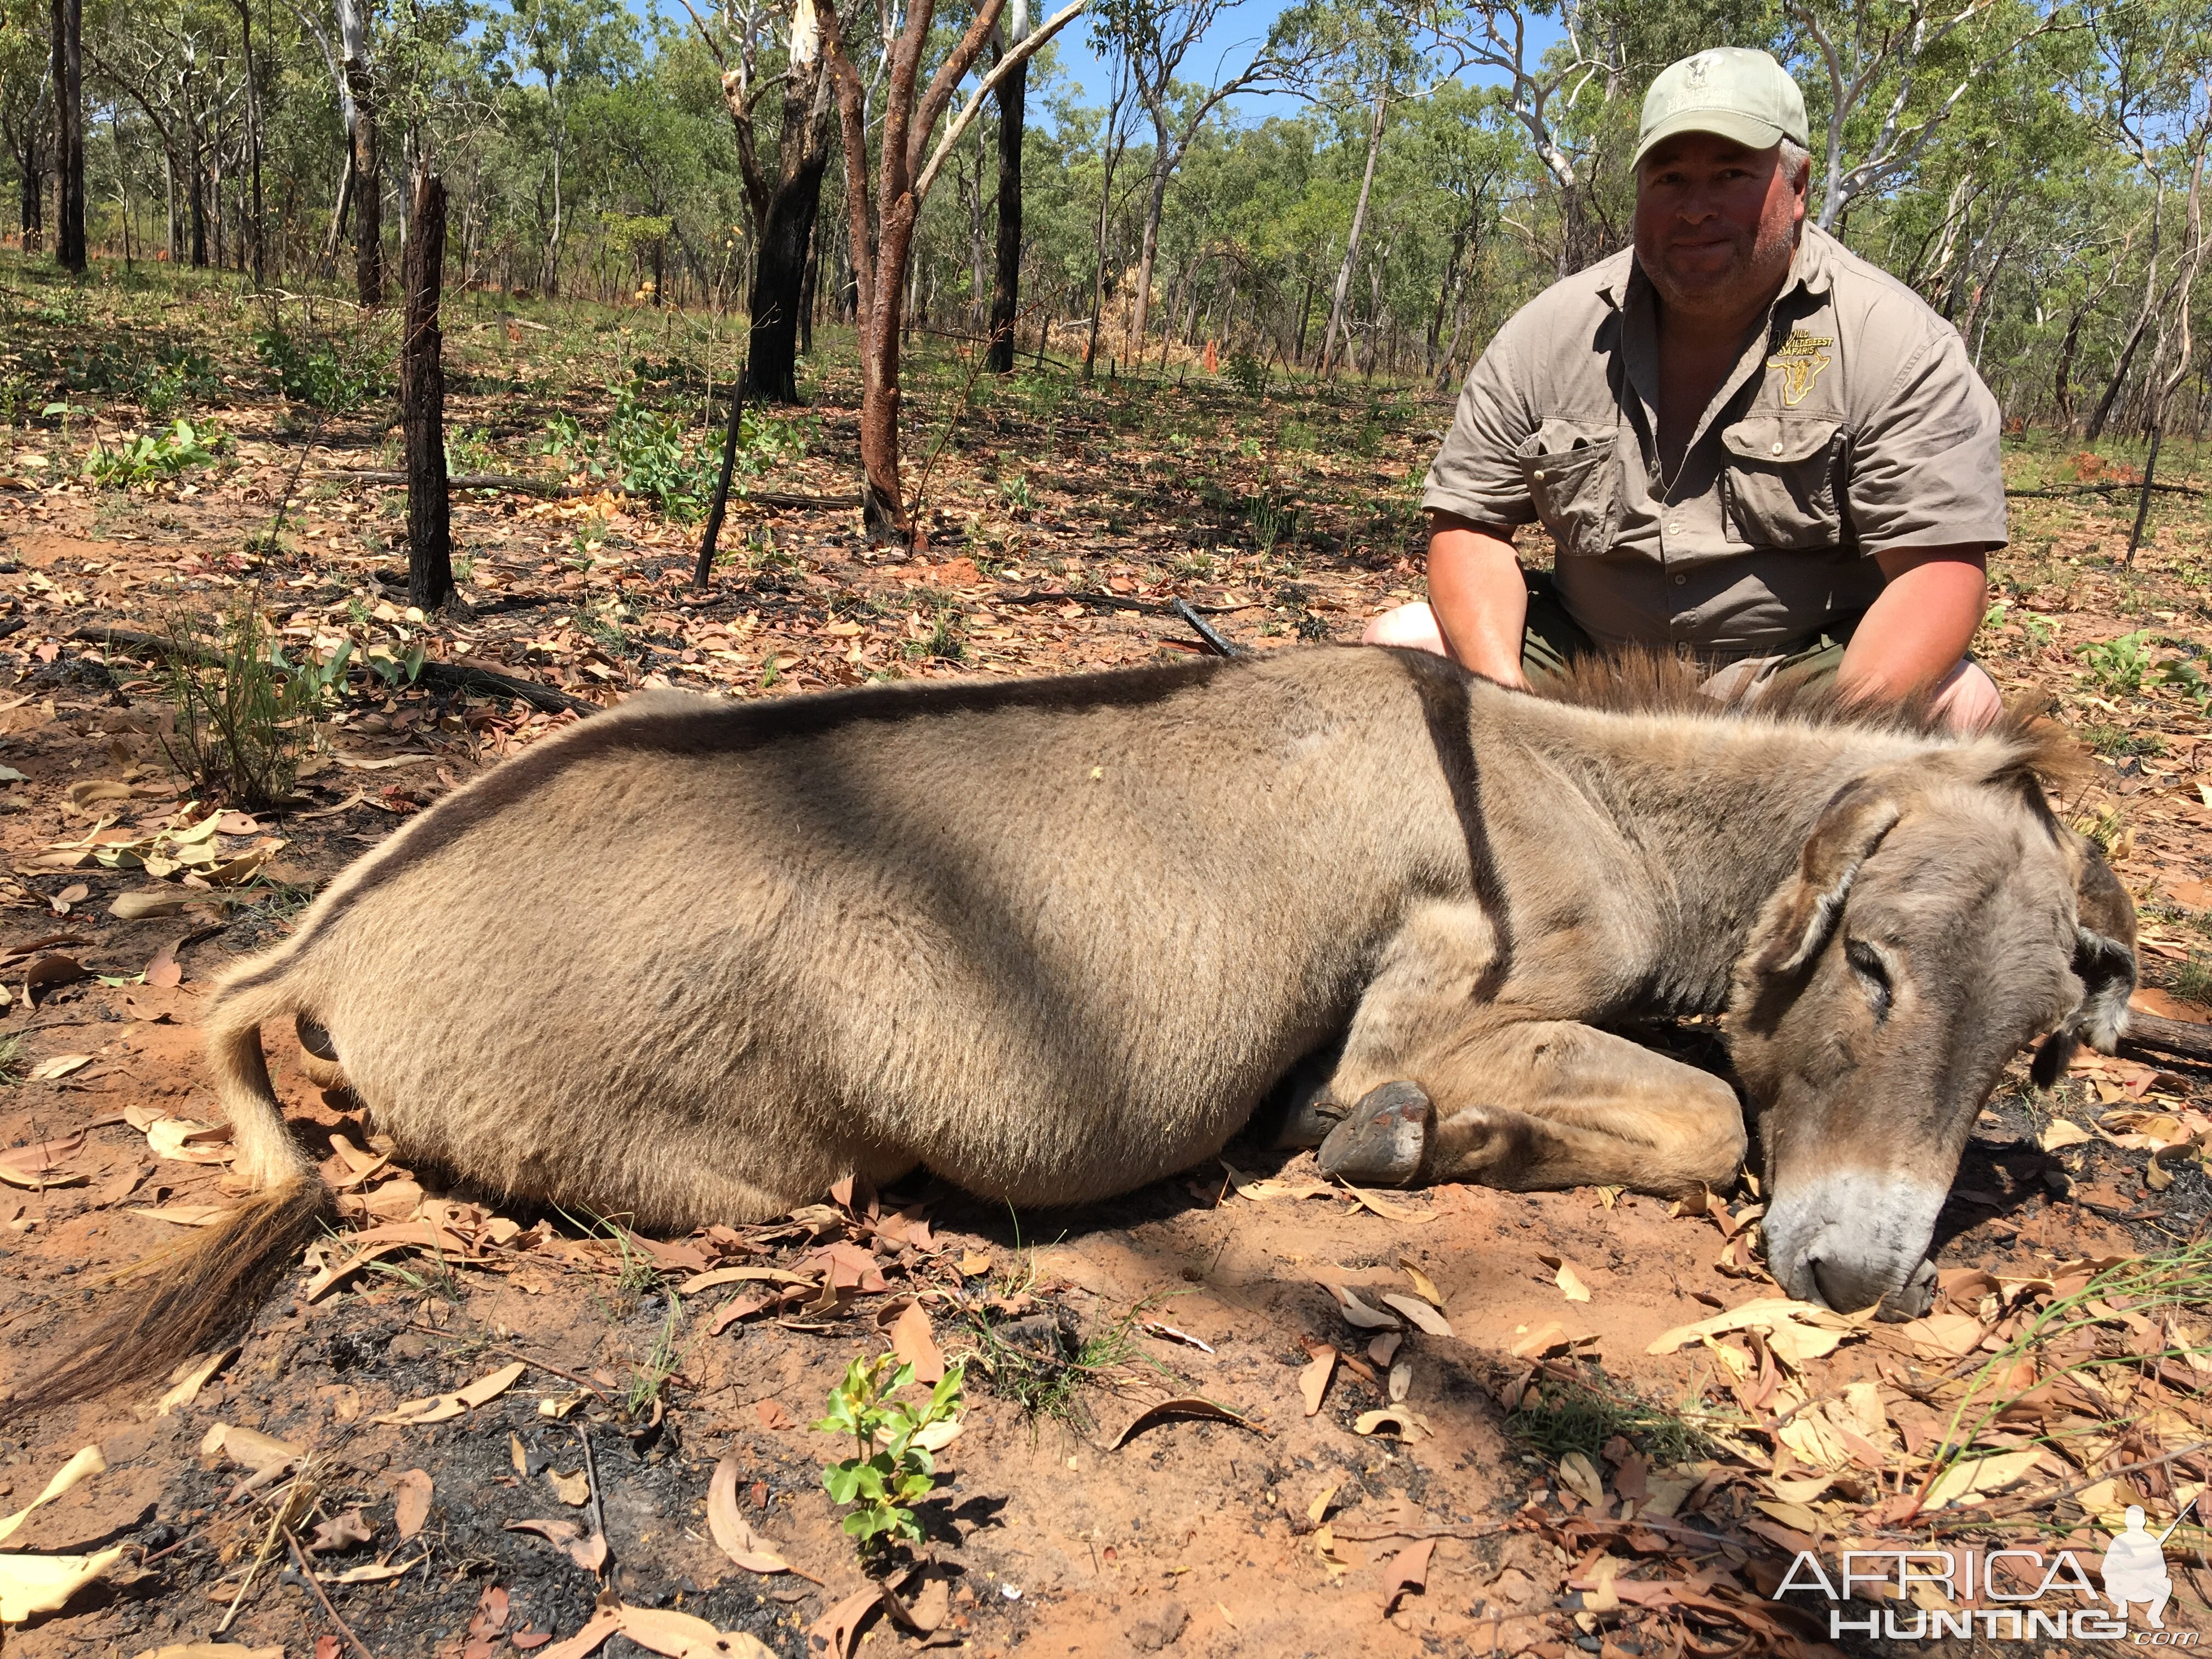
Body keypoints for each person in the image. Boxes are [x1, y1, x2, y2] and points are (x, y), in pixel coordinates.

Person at [1367, 47, 2005, 730]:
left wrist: (1816, 748)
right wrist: (1511, 713)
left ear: (1798, 188)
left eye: (1731, 174)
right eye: (1669, 179)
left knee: (1962, 707)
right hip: (1591, 669)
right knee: (1406, 647)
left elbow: (1936, 575)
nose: (1695, 209)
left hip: (1794, 687)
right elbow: (1470, 526)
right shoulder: (1549, 335)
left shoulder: (1896, 343)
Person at [2100, 1505, 2172, 1628]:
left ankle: (2154, 1614)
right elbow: (2106, 1568)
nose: (2135, 1523)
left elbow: (2161, 1569)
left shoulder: (2150, 1540)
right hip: (2121, 1587)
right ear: (2127, 1521)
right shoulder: (2120, 1540)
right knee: (2114, 1582)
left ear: (2143, 1521)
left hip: (2144, 1587)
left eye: (2138, 1519)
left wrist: (2148, 1572)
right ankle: (2122, 1605)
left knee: (2167, 1583)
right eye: (2132, 1520)